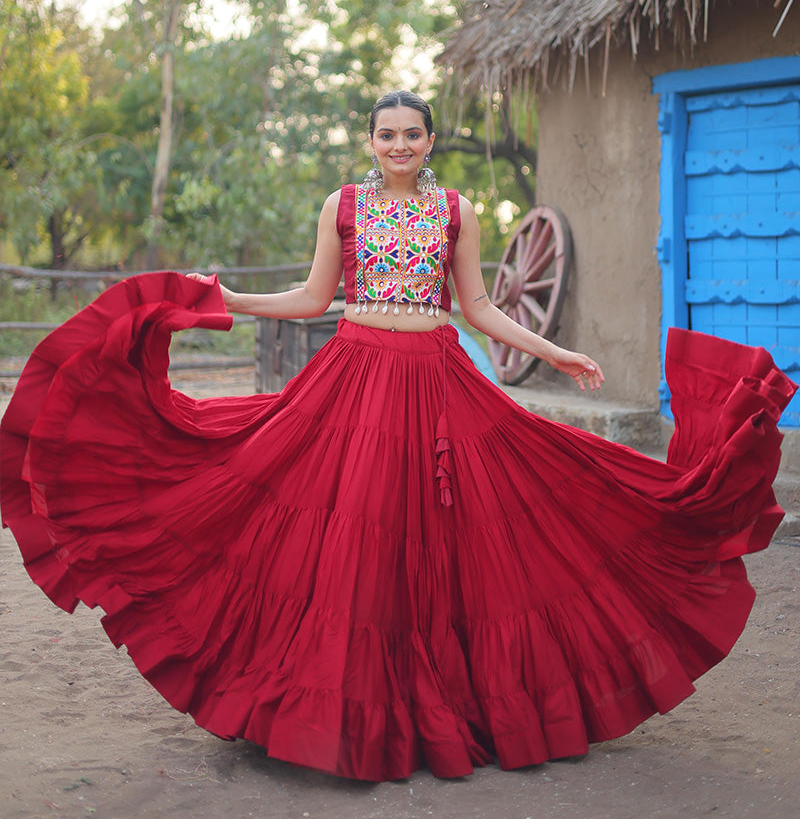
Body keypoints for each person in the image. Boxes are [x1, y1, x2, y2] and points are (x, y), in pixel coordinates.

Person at [0, 90, 794, 783]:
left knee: (456, 534)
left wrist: (554, 351)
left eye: (413, 134)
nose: (401, 145)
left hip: (437, 380)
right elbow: (315, 299)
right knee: (352, 537)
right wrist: (227, 297)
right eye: (388, 135)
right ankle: (342, 717)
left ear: (430, 141)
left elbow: (478, 307)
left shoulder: (456, 211)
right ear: (370, 142)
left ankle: (440, 707)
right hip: (354, 379)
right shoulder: (343, 206)